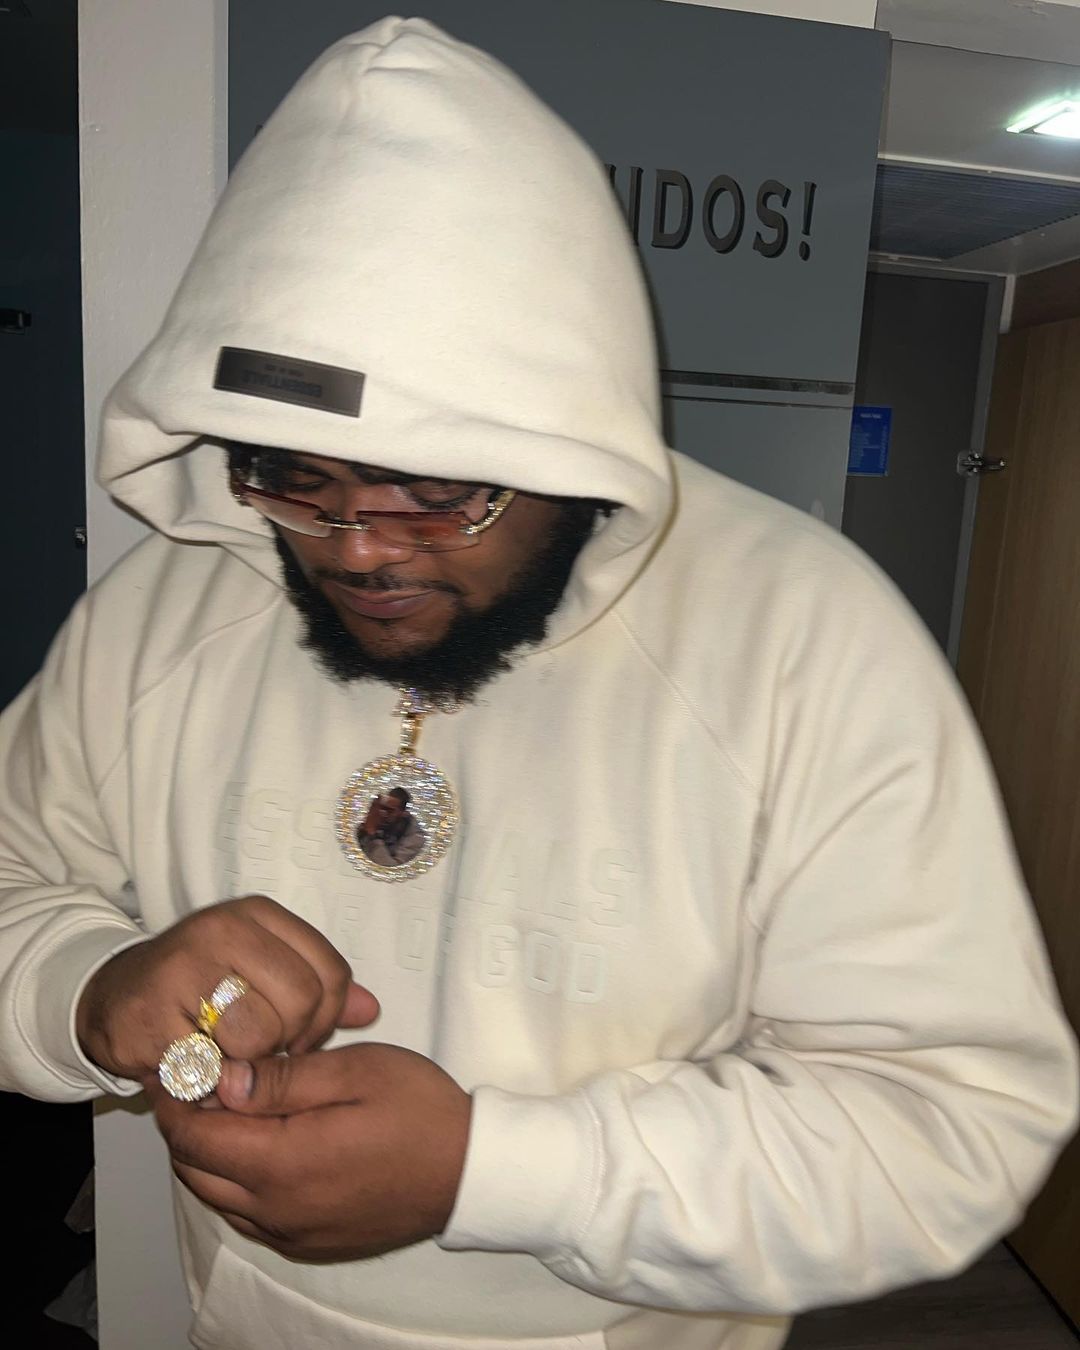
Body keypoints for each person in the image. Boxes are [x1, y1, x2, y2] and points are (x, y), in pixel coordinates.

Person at [0, 15, 1075, 1350]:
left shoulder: (803, 636)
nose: (354, 548)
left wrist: (490, 1171)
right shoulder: (163, 614)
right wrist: (88, 985)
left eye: (434, 491)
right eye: (292, 477)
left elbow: (946, 1128)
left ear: (573, 439)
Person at [359, 788, 426, 866]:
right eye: (381, 808)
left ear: (403, 813)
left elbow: (393, 868)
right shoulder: (375, 820)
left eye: (389, 810)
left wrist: (373, 836)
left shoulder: (416, 836)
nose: (383, 813)